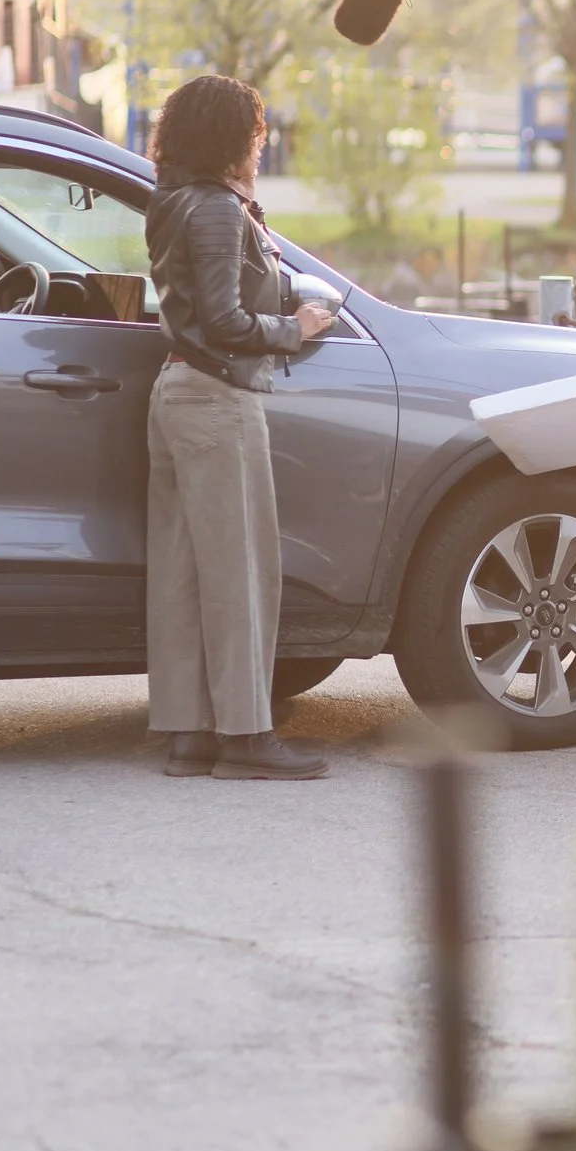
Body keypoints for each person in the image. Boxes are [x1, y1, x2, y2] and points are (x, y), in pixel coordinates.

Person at [145, 75, 337, 780]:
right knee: (239, 572)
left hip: (174, 392)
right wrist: (298, 326)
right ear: (234, 139)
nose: (263, 146)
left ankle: (189, 731)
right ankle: (247, 735)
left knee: (181, 573)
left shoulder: (171, 201)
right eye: (256, 135)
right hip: (219, 397)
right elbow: (226, 320)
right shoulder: (220, 210)